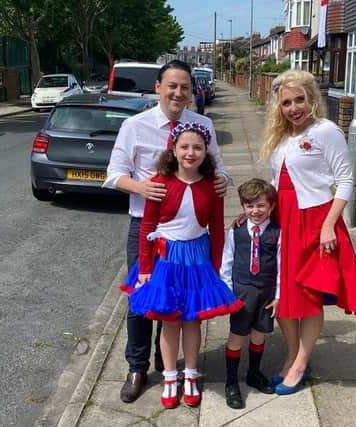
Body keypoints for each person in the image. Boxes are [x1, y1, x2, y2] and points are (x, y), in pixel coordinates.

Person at [103, 59, 231, 403]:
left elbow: (219, 171)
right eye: (171, 86)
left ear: (192, 91)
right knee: (141, 301)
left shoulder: (202, 125)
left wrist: (219, 183)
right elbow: (113, 174)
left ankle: (169, 365)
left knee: (179, 303)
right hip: (147, 228)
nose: (178, 92)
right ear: (158, 87)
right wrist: (141, 188)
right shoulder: (135, 125)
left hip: (190, 237)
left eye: (185, 87)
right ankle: (137, 367)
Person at [259, 69, 356, 395]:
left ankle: (300, 361)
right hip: (283, 219)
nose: (293, 108)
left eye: (299, 100)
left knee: (308, 296)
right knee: (282, 294)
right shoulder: (282, 137)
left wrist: (328, 225)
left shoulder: (326, 131)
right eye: (286, 102)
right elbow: (276, 181)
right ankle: (294, 355)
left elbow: (346, 180)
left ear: (312, 99)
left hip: (314, 221)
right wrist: (257, 216)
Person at [120, 122, 243, 409]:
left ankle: (190, 374)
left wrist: (216, 268)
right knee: (169, 320)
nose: (191, 152)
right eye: (185, 147)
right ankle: (170, 377)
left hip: (198, 260)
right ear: (173, 150)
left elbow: (217, 230)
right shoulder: (160, 183)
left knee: (192, 320)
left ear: (206, 152)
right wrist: (146, 267)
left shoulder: (212, 186)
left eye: (197, 147)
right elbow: (148, 225)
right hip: (166, 261)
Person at [220, 178, 280, 409]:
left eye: (261, 205)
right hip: (242, 292)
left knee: (258, 335)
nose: (255, 211)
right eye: (250, 206)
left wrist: (278, 295)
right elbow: (227, 260)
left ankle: (253, 373)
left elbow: (280, 264)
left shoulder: (277, 232)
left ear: (271, 206)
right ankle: (231, 382)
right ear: (243, 207)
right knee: (236, 336)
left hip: (266, 293)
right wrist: (226, 291)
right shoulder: (236, 231)